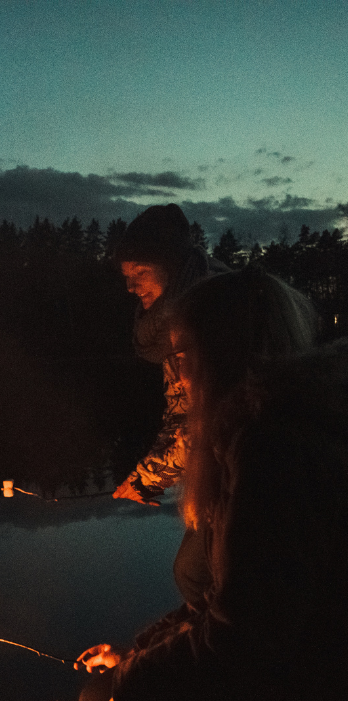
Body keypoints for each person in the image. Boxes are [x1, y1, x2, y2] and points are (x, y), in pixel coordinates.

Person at [47, 269, 343, 701]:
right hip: (281, 679)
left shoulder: (275, 452)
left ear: (222, 356)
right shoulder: (261, 432)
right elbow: (228, 601)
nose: (178, 376)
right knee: (96, 699)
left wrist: (131, 679)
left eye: (182, 355)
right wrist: (138, 653)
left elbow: (242, 641)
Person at [112, 203, 226, 508]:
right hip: (221, 479)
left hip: (250, 480)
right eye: (126, 275)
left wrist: (148, 479)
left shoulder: (213, 313)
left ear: (171, 266)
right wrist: (143, 477)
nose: (130, 286)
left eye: (140, 272)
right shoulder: (174, 318)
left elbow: (213, 422)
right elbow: (181, 415)